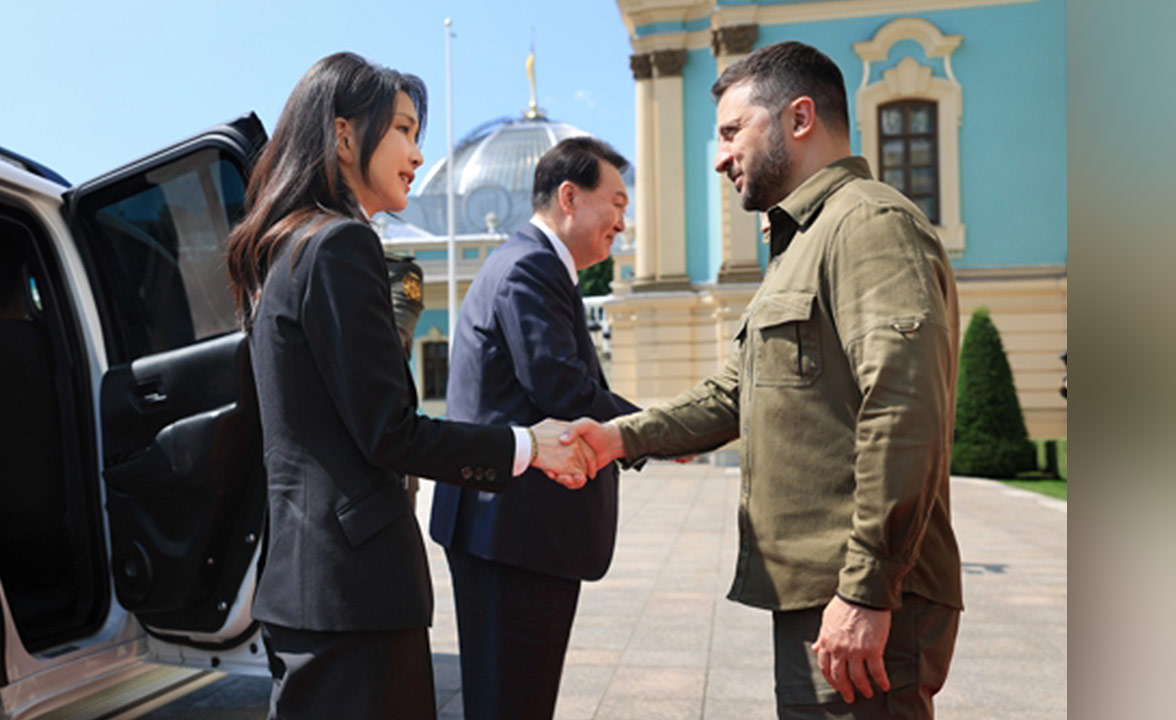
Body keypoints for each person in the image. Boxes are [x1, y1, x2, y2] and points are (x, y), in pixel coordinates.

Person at [561, 41, 963, 719]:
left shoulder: (868, 225)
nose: (721, 157)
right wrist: (616, 438)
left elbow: (903, 409)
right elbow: (737, 392)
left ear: (799, 118)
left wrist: (866, 589)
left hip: (862, 596)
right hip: (823, 592)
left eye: (731, 132)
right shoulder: (803, 239)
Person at [225, 52, 597, 720]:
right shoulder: (338, 245)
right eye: (402, 129)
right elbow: (389, 432)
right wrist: (528, 446)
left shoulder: (287, 246)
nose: (418, 155)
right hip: (353, 592)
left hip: (309, 584)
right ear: (343, 136)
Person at [428, 137, 641, 720]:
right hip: (513, 535)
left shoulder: (533, 264)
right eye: (616, 203)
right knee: (512, 703)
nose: (622, 223)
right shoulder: (531, 266)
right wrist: (652, 432)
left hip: (509, 532)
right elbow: (562, 390)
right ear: (569, 198)